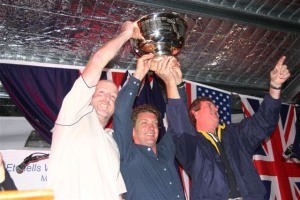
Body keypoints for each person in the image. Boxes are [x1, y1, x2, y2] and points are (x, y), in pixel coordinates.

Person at [158, 56, 291, 199]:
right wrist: (173, 83)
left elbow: (264, 122)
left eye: (214, 105)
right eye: (209, 105)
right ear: (195, 113)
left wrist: (275, 86)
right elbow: (179, 125)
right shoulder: (193, 146)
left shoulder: (235, 134)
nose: (216, 108)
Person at [47, 21, 139, 200]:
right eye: (102, 93)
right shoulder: (72, 117)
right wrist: (126, 34)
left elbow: (117, 192)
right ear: (88, 96)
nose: (107, 98)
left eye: (113, 97)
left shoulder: (111, 141)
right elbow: (98, 61)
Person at [113, 54, 186, 200]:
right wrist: (138, 75)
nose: (151, 127)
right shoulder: (127, 154)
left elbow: (179, 121)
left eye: (154, 124)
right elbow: (121, 113)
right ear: (132, 131)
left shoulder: (165, 151)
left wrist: (178, 84)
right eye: (144, 123)